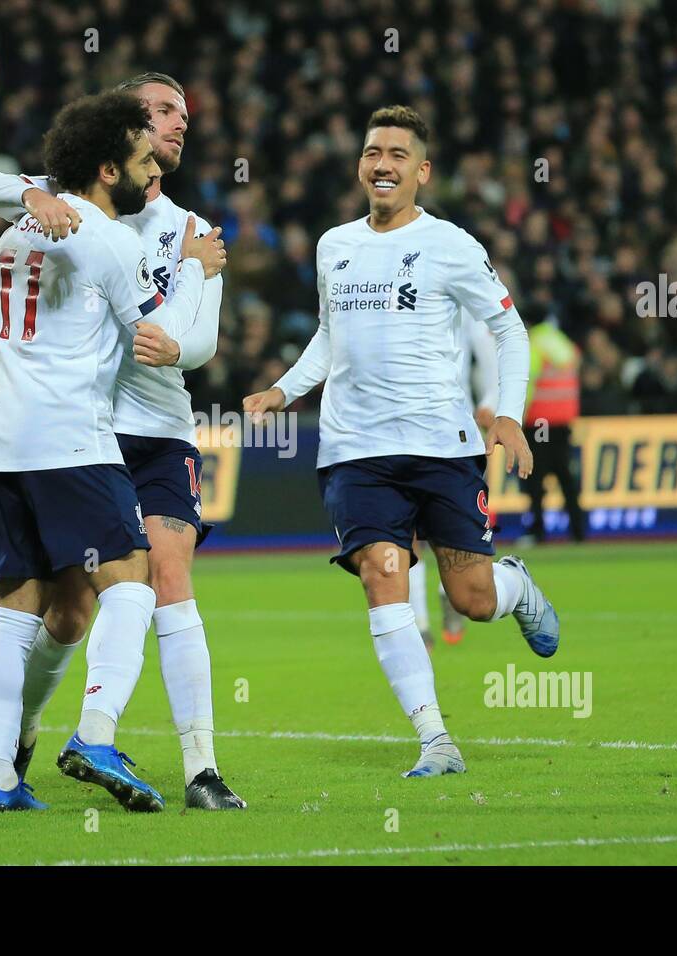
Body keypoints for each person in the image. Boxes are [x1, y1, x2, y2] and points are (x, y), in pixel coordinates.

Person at [244, 106, 560, 778]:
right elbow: (330, 337)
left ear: (422, 170)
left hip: (443, 446)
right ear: (360, 164)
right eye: (371, 152)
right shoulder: (335, 245)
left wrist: (507, 413)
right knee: (383, 571)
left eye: (395, 154)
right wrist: (284, 388)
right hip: (355, 449)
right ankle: (435, 740)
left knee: (471, 599)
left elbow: (509, 331)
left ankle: (516, 587)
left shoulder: (452, 245)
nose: (381, 164)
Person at [0, 72, 244, 810]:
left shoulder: (26, 223)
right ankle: (93, 735)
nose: (160, 152)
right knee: (132, 583)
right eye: (145, 143)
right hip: (75, 440)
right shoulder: (107, 235)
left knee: (15, 609)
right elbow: (158, 331)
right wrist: (193, 268)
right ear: (110, 163)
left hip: (2, 443)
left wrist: (30, 195)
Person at [409, 306, 499, 648]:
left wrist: (490, 401)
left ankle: (450, 591)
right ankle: (419, 624)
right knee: (407, 532)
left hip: (454, 432)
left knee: (450, 534)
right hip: (402, 431)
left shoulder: (461, 297)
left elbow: (491, 351)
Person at [519, 310, 586, 545]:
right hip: (563, 419)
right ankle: (578, 531)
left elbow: (526, 381)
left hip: (540, 421)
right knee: (565, 476)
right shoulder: (560, 341)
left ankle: (538, 532)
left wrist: (517, 416)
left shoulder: (533, 343)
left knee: (535, 477)